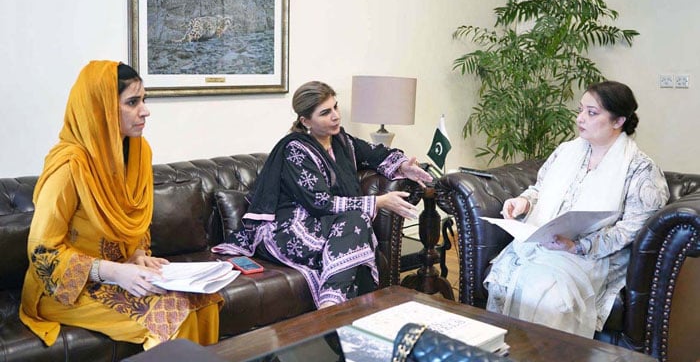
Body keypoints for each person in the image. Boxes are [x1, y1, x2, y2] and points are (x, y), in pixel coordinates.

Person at [20, 61, 222, 349]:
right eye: (132, 102)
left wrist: (138, 253)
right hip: (66, 288)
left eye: (144, 100)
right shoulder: (69, 166)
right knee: (173, 316)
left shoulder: (139, 151)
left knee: (205, 301)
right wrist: (114, 272)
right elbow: (42, 253)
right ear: (100, 109)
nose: (145, 110)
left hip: (123, 272)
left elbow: (134, 216)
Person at [212, 81, 432, 308]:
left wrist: (405, 166)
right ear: (305, 121)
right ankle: (335, 307)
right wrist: (379, 201)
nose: (336, 116)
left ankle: (336, 306)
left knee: (357, 223)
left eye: (336, 107)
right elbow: (321, 203)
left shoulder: (342, 141)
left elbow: (375, 154)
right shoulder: (295, 150)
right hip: (289, 228)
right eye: (326, 113)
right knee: (358, 227)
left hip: (325, 224)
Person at [484, 81, 670, 337]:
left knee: (549, 297)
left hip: (596, 255)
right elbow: (539, 188)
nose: (580, 118)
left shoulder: (640, 169)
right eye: (580, 110)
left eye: (592, 113)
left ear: (618, 121)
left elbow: (632, 230)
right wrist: (524, 202)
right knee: (504, 281)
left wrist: (578, 246)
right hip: (544, 244)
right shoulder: (566, 151)